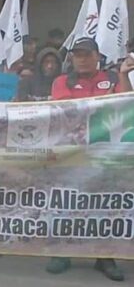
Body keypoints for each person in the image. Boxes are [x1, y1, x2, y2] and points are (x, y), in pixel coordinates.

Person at [46, 37, 134, 281]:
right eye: (77, 54)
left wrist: (125, 76)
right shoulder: (62, 81)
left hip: (106, 153)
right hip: (73, 152)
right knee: (65, 203)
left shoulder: (114, 79)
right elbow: (68, 109)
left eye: (86, 54)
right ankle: (61, 253)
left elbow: (127, 106)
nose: (81, 59)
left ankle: (104, 257)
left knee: (104, 207)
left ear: (98, 57)